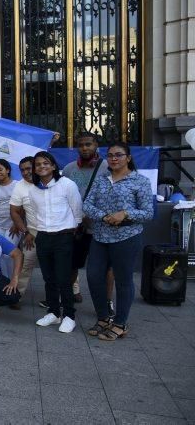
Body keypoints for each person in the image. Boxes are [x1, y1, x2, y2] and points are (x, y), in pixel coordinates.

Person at [83, 143, 154, 341]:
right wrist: (105, 216)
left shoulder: (139, 181)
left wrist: (125, 214)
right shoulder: (101, 181)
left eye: (119, 155)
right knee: (94, 276)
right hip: (100, 236)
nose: (114, 159)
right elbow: (87, 204)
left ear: (128, 158)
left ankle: (121, 323)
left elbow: (148, 212)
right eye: (111, 155)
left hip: (126, 236)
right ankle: (104, 318)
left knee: (123, 280)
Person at [30, 151, 83, 333]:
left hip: (63, 237)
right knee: (48, 278)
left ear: (53, 166)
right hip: (43, 236)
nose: (42, 167)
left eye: (46, 163)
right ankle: (54, 312)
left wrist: (70, 230)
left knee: (63, 278)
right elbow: (36, 213)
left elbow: (77, 211)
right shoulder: (33, 189)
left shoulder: (67, 185)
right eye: (38, 164)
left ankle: (69, 316)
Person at [62, 131, 110, 306]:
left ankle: (107, 303)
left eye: (88, 144)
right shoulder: (68, 169)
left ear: (96, 145)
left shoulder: (107, 167)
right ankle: (67, 298)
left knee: (104, 268)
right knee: (71, 265)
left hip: (101, 227)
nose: (84, 148)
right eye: (81, 145)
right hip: (77, 228)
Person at [8, 157, 39, 298]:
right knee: (26, 263)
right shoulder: (20, 186)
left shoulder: (50, 181)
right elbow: (14, 211)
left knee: (58, 266)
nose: (26, 172)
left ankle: (68, 293)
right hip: (32, 231)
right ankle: (17, 296)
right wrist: (25, 231)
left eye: (29, 168)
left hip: (55, 231)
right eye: (22, 170)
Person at [0, 159, 19, 279]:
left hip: (14, 226)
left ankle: (13, 280)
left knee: (9, 254)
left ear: (8, 170)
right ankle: (5, 280)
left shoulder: (17, 185)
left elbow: (22, 207)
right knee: (0, 253)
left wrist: (17, 224)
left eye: (0, 169)